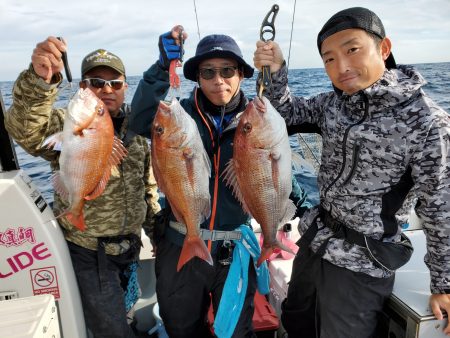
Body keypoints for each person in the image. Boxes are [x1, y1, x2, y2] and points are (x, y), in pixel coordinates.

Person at [253, 6, 450, 338]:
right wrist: (275, 71)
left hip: (363, 263)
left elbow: (440, 208)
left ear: (384, 49)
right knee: (293, 325)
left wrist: (444, 283)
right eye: (329, 59)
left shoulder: (426, 121)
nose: (340, 66)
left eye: (352, 49)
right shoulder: (334, 104)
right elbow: (286, 112)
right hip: (315, 244)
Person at [129, 27, 310, 337]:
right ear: (197, 77)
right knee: (180, 328)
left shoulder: (260, 118)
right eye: (208, 72)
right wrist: (161, 68)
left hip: (233, 249)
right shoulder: (181, 115)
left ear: (241, 74)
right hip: (179, 243)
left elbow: (275, 175)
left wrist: (305, 208)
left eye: (227, 70)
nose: (218, 80)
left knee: (237, 331)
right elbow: (140, 118)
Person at [4, 37, 161, 338]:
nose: (106, 89)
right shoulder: (70, 124)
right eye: (95, 82)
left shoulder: (138, 132)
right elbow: (26, 130)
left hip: (129, 248)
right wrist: (39, 81)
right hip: (90, 253)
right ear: (81, 88)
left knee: (124, 317)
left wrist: (157, 232)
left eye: (115, 83)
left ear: (126, 86)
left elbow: (148, 189)